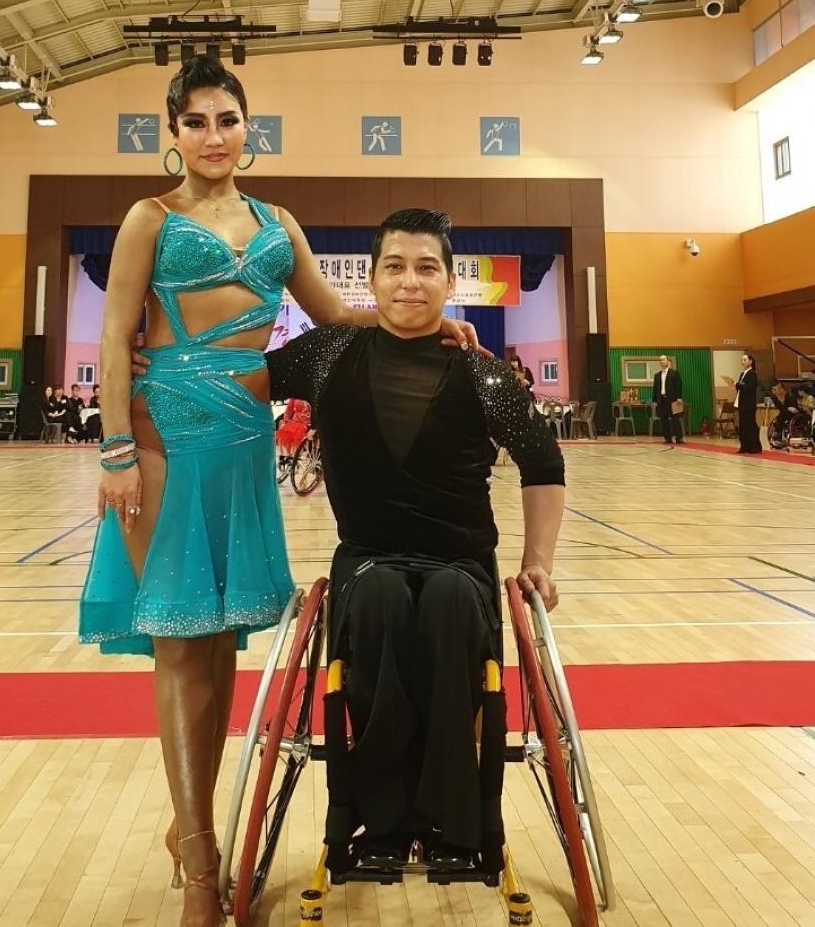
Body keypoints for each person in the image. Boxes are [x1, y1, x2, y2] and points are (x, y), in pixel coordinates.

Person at [80, 56, 478, 927]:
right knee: (180, 645)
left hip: (244, 440)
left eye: (228, 120)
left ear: (247, 130)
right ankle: (201, 869)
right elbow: (114, 338)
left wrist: (421, 315)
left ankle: (193, 829)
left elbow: (336, 322)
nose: (214, 137)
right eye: (196, 122)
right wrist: (113, 448)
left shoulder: (277, 222)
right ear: (172, 132)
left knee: (221, 645)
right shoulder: (149, 218)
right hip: (159, 440)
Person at [260, 208, 565, 869]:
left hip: (461, 563)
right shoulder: (329, 353)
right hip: (368, 560)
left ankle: (458, 824)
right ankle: (384, 824)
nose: (410, 282)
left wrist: (536, 561)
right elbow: (247, 381)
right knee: (378, 602)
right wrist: (163, 363)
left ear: (449, 280)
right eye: (394, 267)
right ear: (371, 280)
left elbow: (544, 462)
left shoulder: (482, 374)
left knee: (454, 600)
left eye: (427, 268)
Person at [652, 354, 684, 444]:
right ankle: (667, 438)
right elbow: (655, 388)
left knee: (675, 419)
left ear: (668, 361)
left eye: (664, 360)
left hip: (673, 400)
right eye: (660, 360)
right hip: (661, 400)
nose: (662, 362)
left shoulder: (674, 373)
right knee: (663, 419)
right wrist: (654, 400)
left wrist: (679, 397)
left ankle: (679, 438)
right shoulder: (657, 375)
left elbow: (679, 385)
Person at [733, 352, 761, 454]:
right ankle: (744, 446)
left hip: (749, 405)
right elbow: (741, 388)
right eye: (742, 360)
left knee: (750, 426)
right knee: (743, 426)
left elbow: (750, 388)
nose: (743, 362)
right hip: (741, 403)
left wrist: (739, 385)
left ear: (750, 361)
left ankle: (754, 447)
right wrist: (736, 385)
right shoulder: (742, 374)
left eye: (745, 360)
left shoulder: (752, 374)